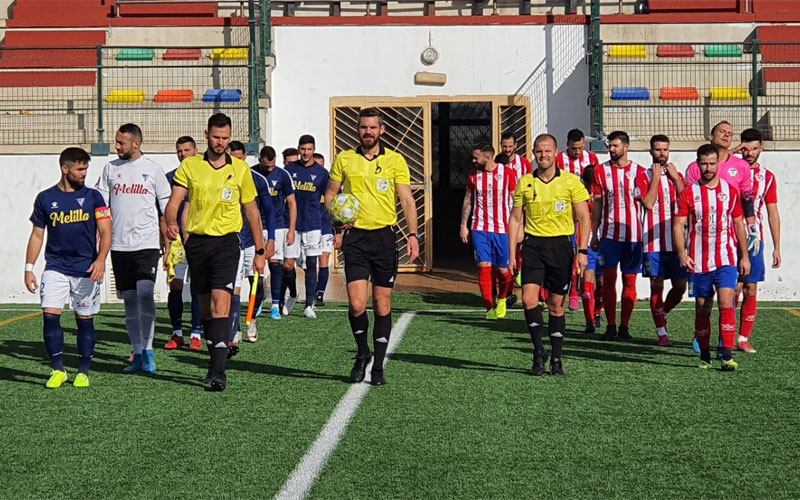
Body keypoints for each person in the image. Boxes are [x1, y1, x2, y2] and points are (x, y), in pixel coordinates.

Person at [165, 113, 268, 391]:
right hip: (197, 244)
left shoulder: (241, 170)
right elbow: (174, 201)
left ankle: (219, 372)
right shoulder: (190, 166)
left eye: (225, 138)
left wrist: (260, 249)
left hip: (227, 244)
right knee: (207, 309)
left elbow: (252, 211)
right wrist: (171, 222)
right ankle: (214, 360)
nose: (221, 142)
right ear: (206, 135)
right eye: (216, 137)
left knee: (222, 304)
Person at [325, 107, 420, 386]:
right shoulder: (345, 159)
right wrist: (338, 222)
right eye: (363, 127)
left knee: (381, 304)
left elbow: (406, 199)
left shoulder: (395, 160)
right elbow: (330, 195)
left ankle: (378, 366)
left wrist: (412, 234)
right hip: (356, 239)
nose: (368, 132)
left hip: (384, 239)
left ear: (382, 130)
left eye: (372, 127)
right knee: (356, 304)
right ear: (358, 129)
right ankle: (362, 352)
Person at [24, 147, 112, 388]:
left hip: (86, 269)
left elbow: (105, 231)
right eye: (79, 168)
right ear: (65, 169)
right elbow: (37, 235)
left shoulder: (94, 197)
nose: (84, 173)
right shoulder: (45, 198)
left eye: (86, 168)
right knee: (50, 316)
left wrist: (101, 259)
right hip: (56, 267)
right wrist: (29, 267)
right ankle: (58, 369)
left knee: (85, 319)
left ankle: (83, 371)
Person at [508, 134, 591, 376]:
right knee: (529, 300)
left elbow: (584, 217)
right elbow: (515, 219)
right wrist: (512, 252)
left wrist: (582, 251)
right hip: (533, 247)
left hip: (561, 248)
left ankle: (556, 358)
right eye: (538, 151)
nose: (543, 155)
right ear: (533, 153)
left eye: (547, 151)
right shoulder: (524, 182)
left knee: (556, 305)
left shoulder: (571, 182)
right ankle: (538, 353)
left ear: (556, 152)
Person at [97, 123, 171, 373]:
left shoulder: (153, 170)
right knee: (129, 299)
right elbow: (101, 207)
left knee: (144, 294)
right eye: (116, 142)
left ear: (136, 144)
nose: (116, 147)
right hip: (119, 246)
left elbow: (166, 211)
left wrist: (168, 242)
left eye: (121, 143)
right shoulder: (110, 169)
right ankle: (137, 351)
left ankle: (149, 350)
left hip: (147, 244)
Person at [674, 144, 750, 370]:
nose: (708, 168)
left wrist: (744, 256)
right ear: (698, 165)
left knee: (727, 301)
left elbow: (738, 224)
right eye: (704, 164)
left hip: (726, 258)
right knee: (703, 307)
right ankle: (705, 353)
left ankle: (726, 354)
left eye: (712, 163)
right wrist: (682, 253)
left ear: (718, 164)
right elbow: (678, 226)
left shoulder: (730, 191)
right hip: (699, 260)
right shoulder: (688, 193)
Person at [685, 121, 758, 353]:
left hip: (732, 241)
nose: (726, 136)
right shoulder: (695, 167)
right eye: (721, 132)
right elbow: (689, 204)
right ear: (710, 136)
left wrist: (751, 228)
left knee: (733, 290)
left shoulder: (741, 167)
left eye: (730, 133)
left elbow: (746, 199)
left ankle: (725, 342)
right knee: (703, 301)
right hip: (701, 244)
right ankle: (702, 336)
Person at [591, 130, 646, 341]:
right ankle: (611, 326)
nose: (611, 149)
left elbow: (647, 204)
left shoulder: (639, 172)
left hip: (633, 237)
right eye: (610, 146)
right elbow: (597, 204)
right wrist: (594, 234)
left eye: (615, 146)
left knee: (630, 282)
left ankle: (625, 327)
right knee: (607, 281)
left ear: (626, 147)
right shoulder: (600, 171)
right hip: (609, 235)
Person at [634, 135, 687, 347]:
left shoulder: (678, 175)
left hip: (676, 243)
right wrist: (656, 178)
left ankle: (662, 312)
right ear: (651, 152)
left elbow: (688, 202)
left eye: (665, 149)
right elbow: (647, 203)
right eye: (658, 150)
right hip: (653, 243)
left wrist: (676, 180)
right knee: (656, 285)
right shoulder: (643, 176)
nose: (662, 153)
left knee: (680, 287)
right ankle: (661, 331)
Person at [735, 128, 781, 353]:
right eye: (745, 148)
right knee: (731, 289)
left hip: (754, 240)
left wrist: (776, 247)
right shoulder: (729, 170)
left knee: (750, 288)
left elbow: (772, 212)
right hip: (729, 237)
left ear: (761, 149)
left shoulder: (768, 177)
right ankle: (722, 334)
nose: (749, 153)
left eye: (754, 148)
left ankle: (743, 338)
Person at [460, 143, 517, 319]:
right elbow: (468, 200)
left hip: (502, 229)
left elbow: (517, 201)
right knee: (483, 266)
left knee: (503, 271)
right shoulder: (473, 175)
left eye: (476, 157)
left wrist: (520, 226)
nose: (473, 160)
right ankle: (489, 308)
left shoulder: (507, 173)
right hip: (479, 228)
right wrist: (463, 225)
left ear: (487, 157)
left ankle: (502, 298)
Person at [556, 128, 602, 315]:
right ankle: (572, 293)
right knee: (571, 254)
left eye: (580, 148)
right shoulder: (559, 160)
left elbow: (596, 183)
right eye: (574, 148)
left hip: (587, 213)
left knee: (585, 254)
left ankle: (585, 296)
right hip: (566, 213)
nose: (577, 152)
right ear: (568, 145)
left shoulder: (591, 159)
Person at [164, 136, 204, 351]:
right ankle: (177, 332)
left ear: (195, 150)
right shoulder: (170, 178)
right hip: (177, 243)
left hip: (199, 239)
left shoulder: (204, 175)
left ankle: (196, 333)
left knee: (198, 287)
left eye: (187, 150)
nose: (183, 154)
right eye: (179, 150)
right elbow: (162, 214)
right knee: (176, 286)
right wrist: (166, 245)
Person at [230, 157, 275, 344]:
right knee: (234, 288)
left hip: (252, 242)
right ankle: (235, 326)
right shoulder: (227, 175)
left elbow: (268, 211)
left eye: (241, 157)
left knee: (258, 286)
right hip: (234, 242)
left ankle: (252, 319)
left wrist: (270, 239)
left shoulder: (257, 179)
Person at [285, 135, 329, 319]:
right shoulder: (289, 170)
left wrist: (337, 228)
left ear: (314, 149)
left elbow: (330, 199)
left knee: (312, 264)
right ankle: (293, 294)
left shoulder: (322, 173)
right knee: (288, 265)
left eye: (309, 149)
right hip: (292, 224)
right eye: (302, 149)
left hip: (313, 225)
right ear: (298, 149)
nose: (305, 153)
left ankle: (309, 304)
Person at [253, 146, 297, 320]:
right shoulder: (252, 174)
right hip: (255, 226)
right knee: (257, 266)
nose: (270, 169)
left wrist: (291, 229)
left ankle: (275, 304)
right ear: (260, 160)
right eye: (266, 166)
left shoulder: (282, 175)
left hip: (277, 226)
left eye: (272, 165)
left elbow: (292, 203)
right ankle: (258, 299)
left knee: (275, 262)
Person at [313, 152, 333, 307]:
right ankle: (310, 290)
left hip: (326, 227)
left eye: (322, 166)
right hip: (310, 227)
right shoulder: (307, 184)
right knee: (309, 261)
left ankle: (320, 293)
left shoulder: (330, 184)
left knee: (324, 260)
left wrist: (338, 231)